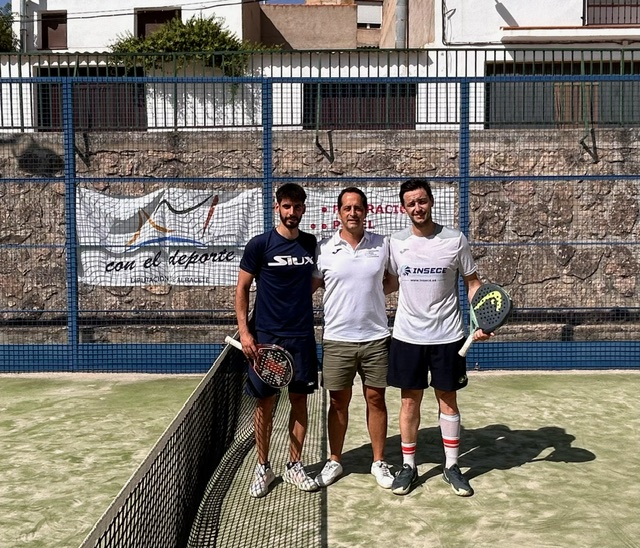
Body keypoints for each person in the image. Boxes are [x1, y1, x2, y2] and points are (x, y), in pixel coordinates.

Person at [385, 178, 491, 497]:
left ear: (431, 202)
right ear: (404, 209)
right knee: (409, 400)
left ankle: (452, 466)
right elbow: (389, 283)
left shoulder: (455, 240)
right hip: (407, 336)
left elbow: (473, 283)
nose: (418, 208)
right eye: (411, 203)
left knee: (448, 399)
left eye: (422, 201)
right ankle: (408, 466)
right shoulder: (396, 242)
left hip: (448, 336)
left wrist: (481, 318)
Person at [234, 182, 319, 498]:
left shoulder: (310, 244)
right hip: (266, 339)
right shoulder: (260, 245)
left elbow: (314, 282)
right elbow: (242, 289)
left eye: (297, 207)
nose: (292, 212)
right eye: (287, 206)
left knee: (300, 401)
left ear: (303, 209)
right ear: (277, 207)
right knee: (264, 404)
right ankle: (263, 467)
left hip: (301, 338)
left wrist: (294, 303)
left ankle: (294, 465)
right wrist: (245, 332)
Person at [312, 187, 394, 489]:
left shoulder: (381, 245)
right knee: (337, 402)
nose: (353, 213)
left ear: (366, 211)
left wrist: (371, 295)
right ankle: (334, 460)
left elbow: (392, 281)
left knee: (376, 399)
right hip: (337, 339)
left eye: (358, 208)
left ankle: (378, 461)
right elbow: (311, 286)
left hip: (375, 338)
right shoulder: (323, 249)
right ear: (338, 212)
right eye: (347, 208)